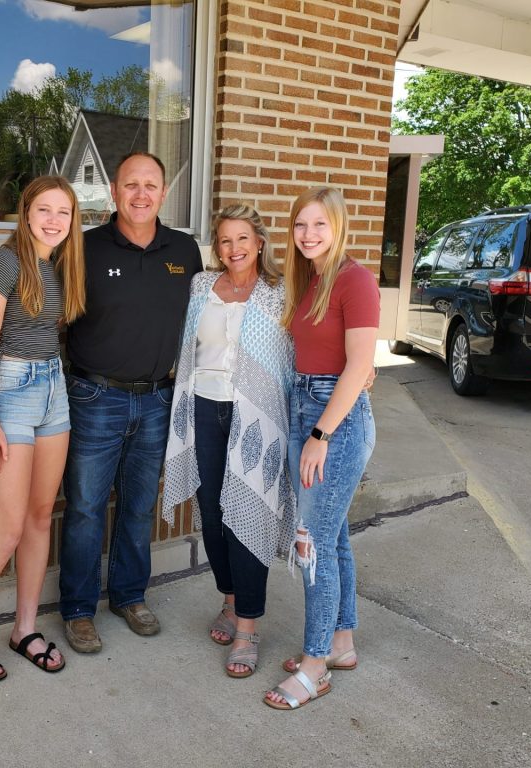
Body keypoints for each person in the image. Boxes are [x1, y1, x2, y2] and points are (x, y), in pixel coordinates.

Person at [58, 152, 203, 653]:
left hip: (157, 399)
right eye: (130, 184)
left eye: (151, 185)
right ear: (114, 191)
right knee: (85, 509)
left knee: (139, 508)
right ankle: (77, 609)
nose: (141, 194)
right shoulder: (81, 248)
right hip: (94, 396)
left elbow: (208, 320)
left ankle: (127, 594)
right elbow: (53, 319)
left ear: (164, 193)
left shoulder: (184, 250)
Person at [0, 176, 85, 683]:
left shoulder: (61, 265)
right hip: (11, 392)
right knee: (4, 529)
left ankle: (24, 628)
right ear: (26, 213)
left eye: (63, 212)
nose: (53, 220)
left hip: (54, 390)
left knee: (41, 516)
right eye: (44, 210)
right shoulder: (5, 262)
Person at [161, 204, 297, 678]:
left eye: (243, 239)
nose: (234, 248)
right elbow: (186, 345)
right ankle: (230, 599)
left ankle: (247, 628)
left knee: (250, 513)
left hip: (256, 415)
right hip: (202, 407)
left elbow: (301, 350)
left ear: (260, 242)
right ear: (215, 247)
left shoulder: (279, 293)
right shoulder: (202, 286)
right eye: (224, 240)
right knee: (214, 514)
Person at [264, 186, 379, 710]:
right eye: (300, 225)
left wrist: (319, 436)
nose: (308, 235)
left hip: (334, 421)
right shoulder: (308, 280)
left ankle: (315, 666)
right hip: (305, 407)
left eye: (319, 225)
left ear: (339, 227)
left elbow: (358, 365)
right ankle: (342, 643)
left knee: (311, 544)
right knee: (333, 539)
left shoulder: (355, 279)